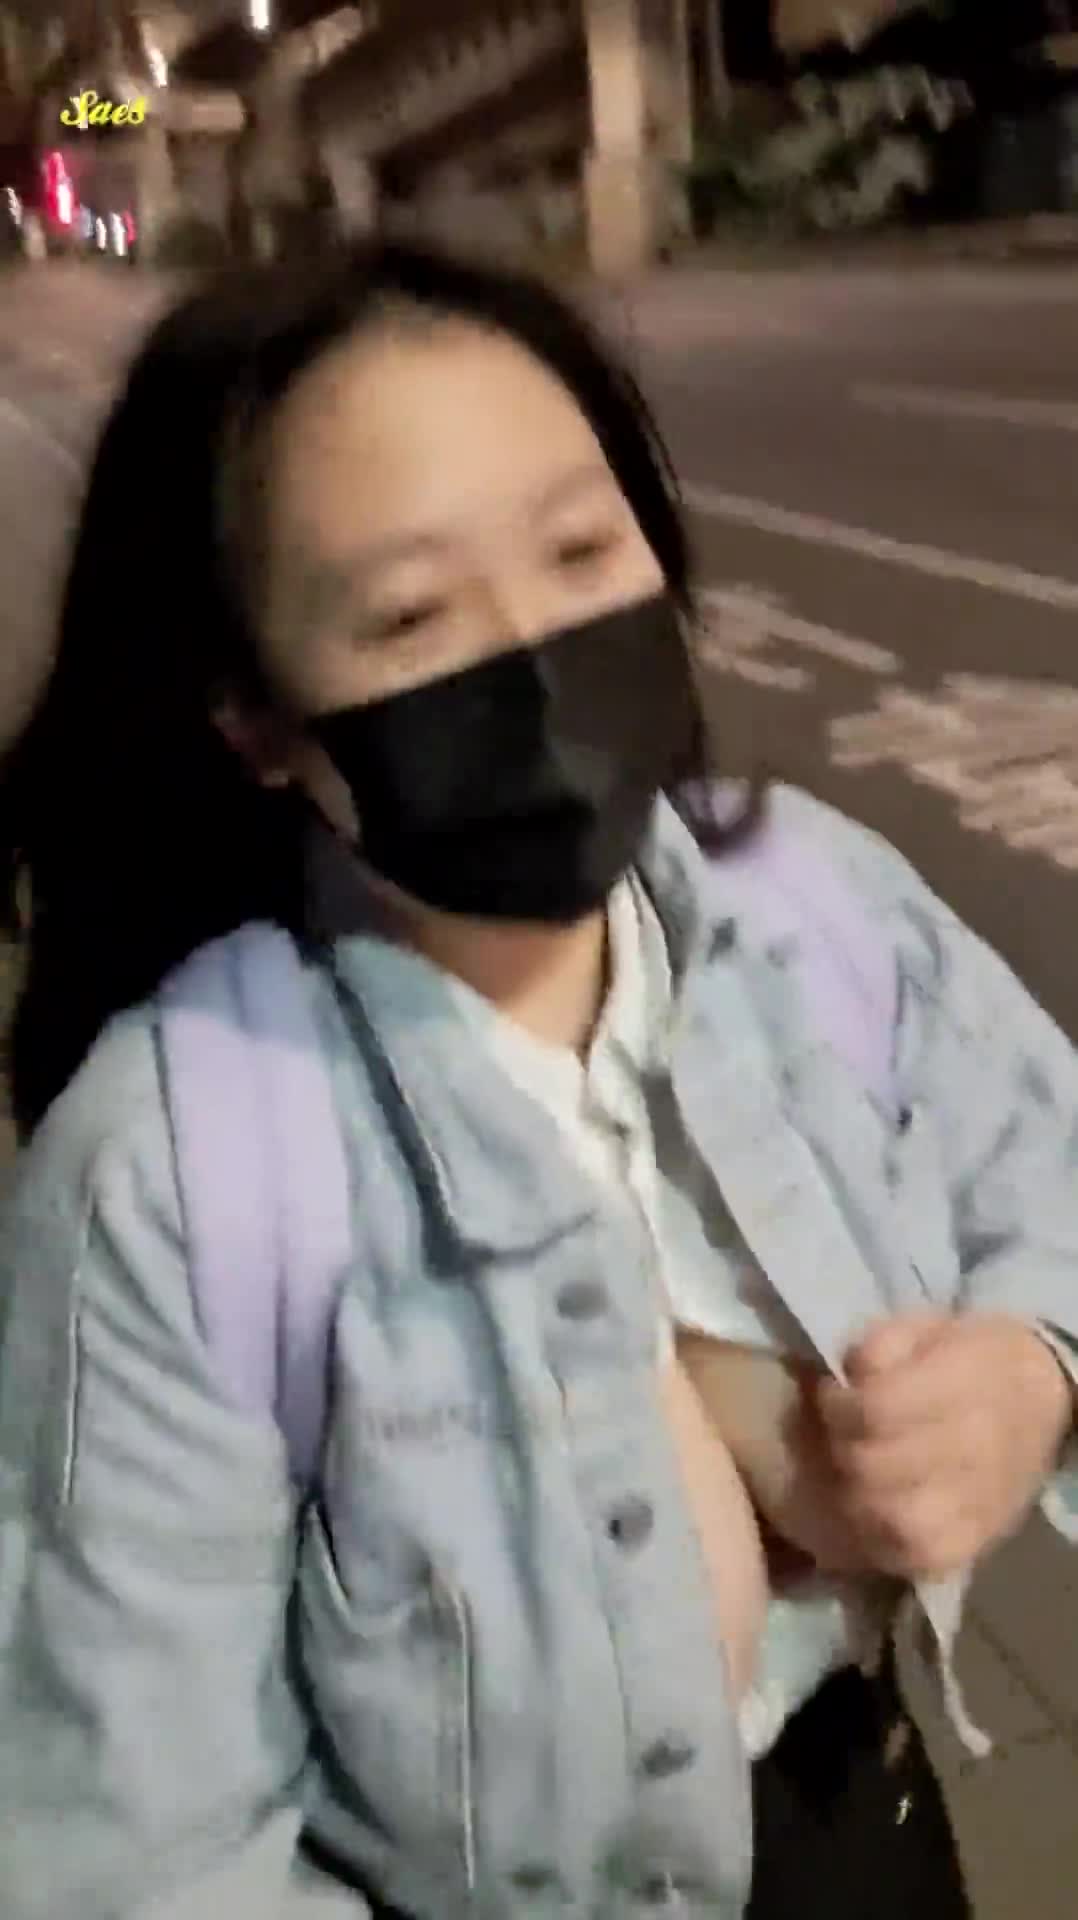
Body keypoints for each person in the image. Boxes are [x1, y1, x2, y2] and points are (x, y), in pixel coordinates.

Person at [0, 242, 1076, 1920]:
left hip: (876, 1824)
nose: (533, 655)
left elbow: (1047, 1168)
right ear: (256, 717)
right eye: (409, 617)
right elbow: (138, 1851)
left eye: (580, 551)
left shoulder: (815, 908)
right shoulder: (178, 1175)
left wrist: (1027, 1372)